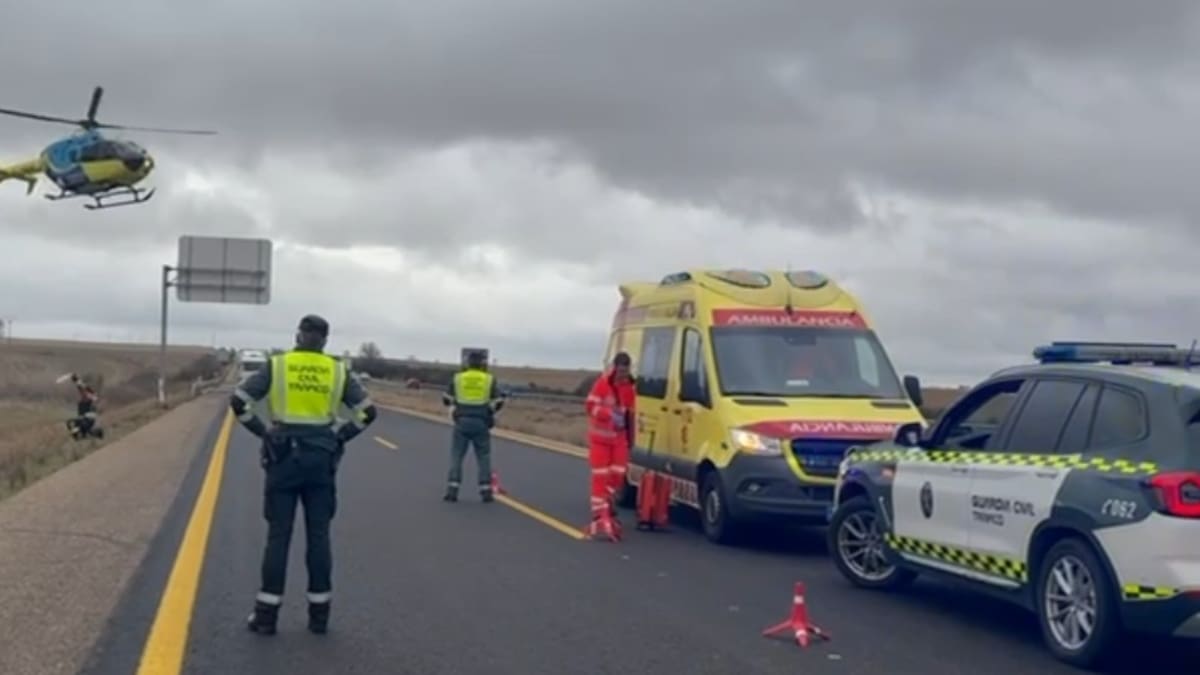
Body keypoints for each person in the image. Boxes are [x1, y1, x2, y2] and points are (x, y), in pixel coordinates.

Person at [229, 314, 377, 636]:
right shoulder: (338, 370)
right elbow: (368, 412)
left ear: (298, 335)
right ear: (325, 340)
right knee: (319, 536)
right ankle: (319, 616)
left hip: (282, 457)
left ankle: (266, 616)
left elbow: (239, 402)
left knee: (279, 535)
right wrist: (340, 436)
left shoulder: (278, 365)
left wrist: (264, 432)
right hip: (321, 460)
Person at [441, 350, 506, 502]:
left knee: (456, 456)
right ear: (482, 364)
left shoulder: (458, 378)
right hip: (481, 422)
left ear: (468, 363)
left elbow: (446, 399)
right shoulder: (489, 379)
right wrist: (489, 411)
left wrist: (455, 408)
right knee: (484, 456)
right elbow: (499, 400)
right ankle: (485, 491)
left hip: (462, 421)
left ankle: (452, 491)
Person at [584, 352, 636, 529]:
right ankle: (599, 512)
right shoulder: (602, 384)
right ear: (615, 368)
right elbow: (590, 406)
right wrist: (608, 415)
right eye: (621, 371)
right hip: (600, 439)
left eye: (626, 371)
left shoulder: (629, 387)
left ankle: (607, 504)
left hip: (619, 439)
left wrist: (631, 438)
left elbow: (630, 413)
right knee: (600, 476)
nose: (623, 375)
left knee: (618, 474)